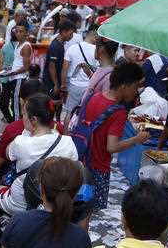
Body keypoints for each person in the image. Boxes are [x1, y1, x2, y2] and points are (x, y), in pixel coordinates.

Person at [0, 94, 78, 248]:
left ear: (34, 120)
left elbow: (6, 155)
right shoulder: (67, 142)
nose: (22, 119)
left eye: (23, 115)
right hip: (54, 198)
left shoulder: (21, 142)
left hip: (22, 200)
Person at [82, 61, 150, 213]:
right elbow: (111, 147)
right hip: (99, 169)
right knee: (90, 212)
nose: (136, 92)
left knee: (83, 208)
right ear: (125, 86)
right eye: (135, 87)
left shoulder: (95, 97)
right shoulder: (118, 112)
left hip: (84, 162)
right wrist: (137, 139)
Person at [0, 79, 54, 175]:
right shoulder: (60, 130)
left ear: (22, 101)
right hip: (50, 179)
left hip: (23, 182)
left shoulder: (15, 130)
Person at [61, 25, 98, 125]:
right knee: (85, 114)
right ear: (95, 36)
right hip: (89, 87)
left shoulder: (72, 48)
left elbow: (64, 69)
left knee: (69, 112)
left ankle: (66, 135)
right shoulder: (97, 51)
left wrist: (63, 86)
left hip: (73, 86)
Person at [0, 24, 32, 122]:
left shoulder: (26, 46)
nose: (18, 33)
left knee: (16, 105)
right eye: (16, 31)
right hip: (14, 77)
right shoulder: (18, 45)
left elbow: (26, 67)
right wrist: (9, 70)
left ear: (26, 33)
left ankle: (16, 126)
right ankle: (13, 123)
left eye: (21, 31)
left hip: (19, 78)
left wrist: (13, 72)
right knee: (9, 103)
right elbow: (17, 62)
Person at [43, 21, 76, 106]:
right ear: (64, 32)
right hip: (51, 82)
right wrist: (56, 84)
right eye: (70, 34)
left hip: (55, 81)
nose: (71, 36)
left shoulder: (61, 44)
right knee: (51, 106)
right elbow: (51, 66)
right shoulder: (55, 46)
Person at [80, 38, 118, 103]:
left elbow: (104, 102)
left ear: (101, 50)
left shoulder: (110, 76)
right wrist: (89, 74)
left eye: (96, 47)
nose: (94, 50)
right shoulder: (103, 68)